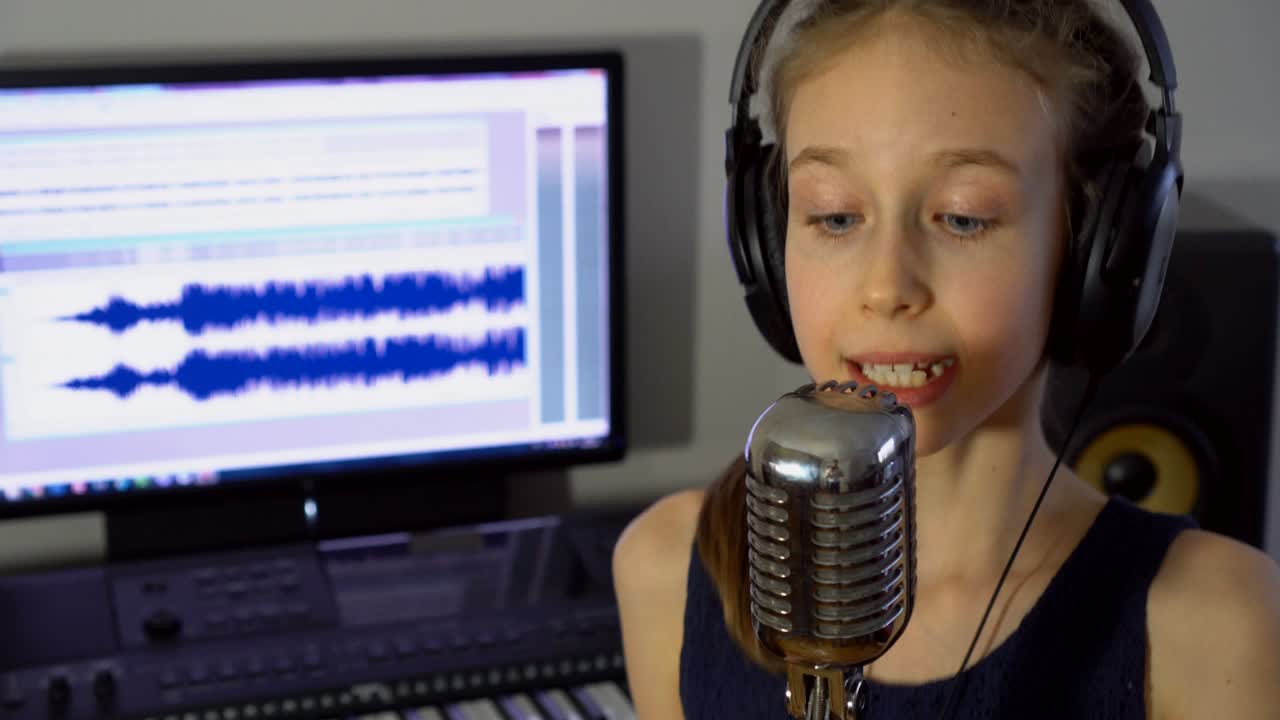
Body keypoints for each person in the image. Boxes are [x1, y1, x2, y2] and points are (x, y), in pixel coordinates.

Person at [612, 0, 1280, 717]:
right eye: (835, 215)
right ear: (768, 242)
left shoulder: (1215, 626)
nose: (887, 287)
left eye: (964, 217)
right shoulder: (663, 565)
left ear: (1099, 253)